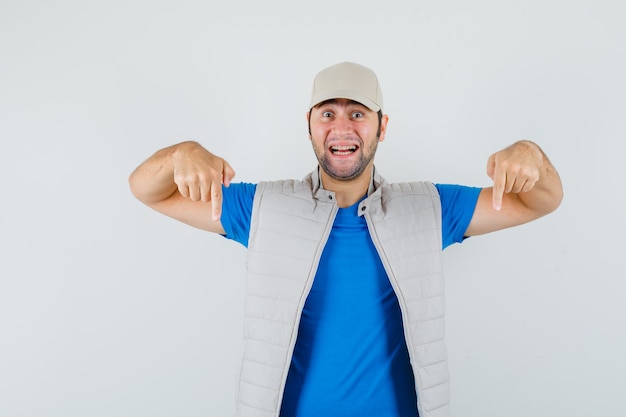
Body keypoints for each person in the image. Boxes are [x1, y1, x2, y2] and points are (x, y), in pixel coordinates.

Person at [128, 61, 563, 417]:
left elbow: (539, 202)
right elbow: (147, 189)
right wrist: (182, 152)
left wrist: (532, 154)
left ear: (382, 126)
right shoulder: (261, 207)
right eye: (328, 113)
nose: (342, 127)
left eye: (357, 113)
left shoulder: (430, 208)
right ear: (309, 124)